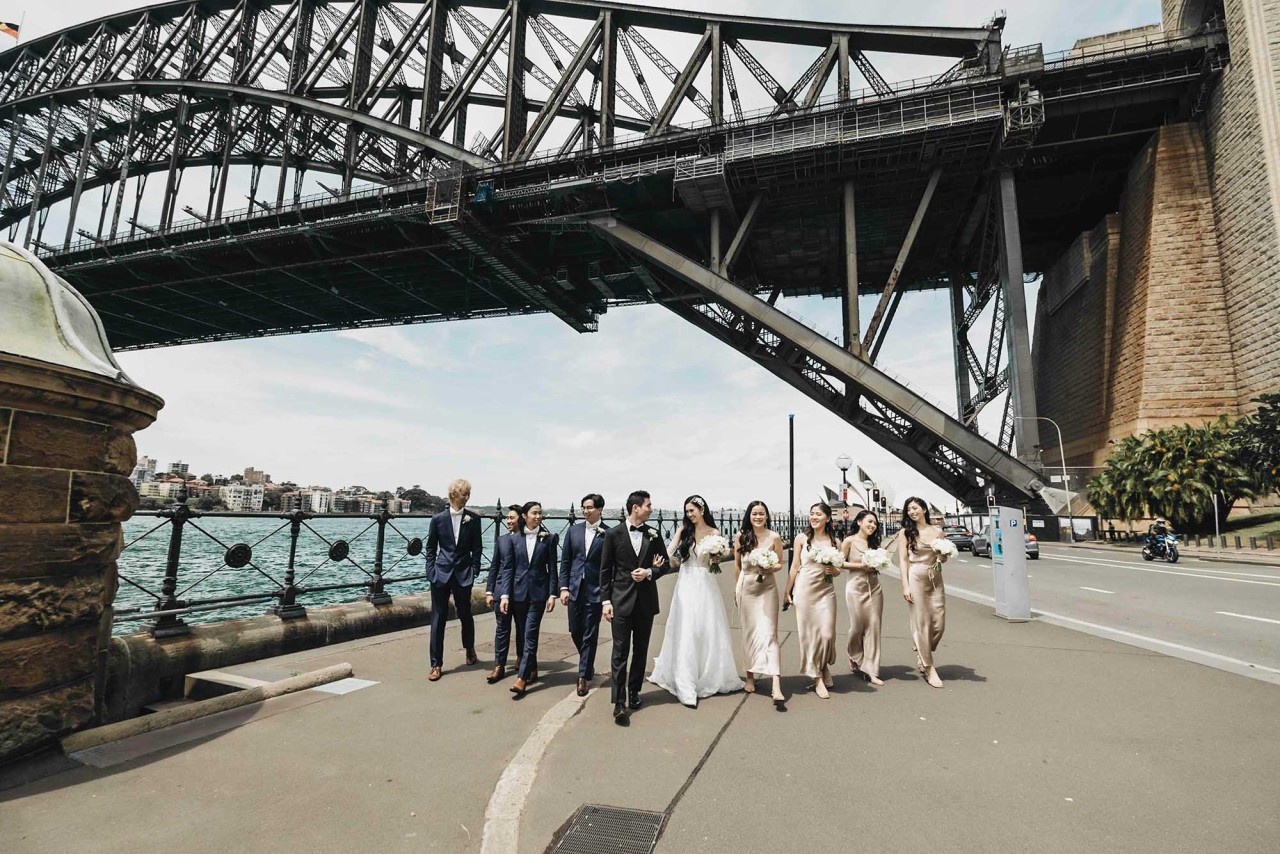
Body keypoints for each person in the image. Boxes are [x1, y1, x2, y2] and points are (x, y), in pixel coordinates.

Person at [649, 495, 744, 707]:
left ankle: (709, 673)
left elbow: (714, 561)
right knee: (687, 627)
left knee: (707, 627)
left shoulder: (714, 533)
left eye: (692, 510)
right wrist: (657, 561)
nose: (689, 515)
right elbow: (669, 550)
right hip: (686, 582)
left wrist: (716, 559)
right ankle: (686, 682)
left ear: (702, 510)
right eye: (687, 511)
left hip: (706, 583)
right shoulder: (684, 530)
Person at [599, 490, 670, 725]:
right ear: (635, 507)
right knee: (620, 652)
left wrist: (649, 572)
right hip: (620, 601)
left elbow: (665, 565)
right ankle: (619, 702)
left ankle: (634, 692)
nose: (651, 509)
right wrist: (606, 602)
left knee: (640, 650)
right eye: (648, 505)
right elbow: (605, 570)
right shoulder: (613, 534)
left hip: (645, 602)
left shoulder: (654, 534)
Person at [496, 501, 558, 699]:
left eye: (540, 513)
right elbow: (508, 569)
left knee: (530, 634)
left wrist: (552, 594)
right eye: (534, 513)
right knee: (523, 634)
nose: (538, 516)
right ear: (524, 516)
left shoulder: (548, 539)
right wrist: (504, 595)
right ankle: (532, 668)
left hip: (539, 594)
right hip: (518, 593)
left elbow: (552, 569)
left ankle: (521, 679)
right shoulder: (514, 539)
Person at [425, 478, 483, 681]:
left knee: (465, 614)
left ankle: (470, 648)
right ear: (453, 495)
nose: (467, 497)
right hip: (440, 574)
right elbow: (430, 548)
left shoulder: (474, 519)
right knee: (438, 618)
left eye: (468, 494)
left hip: (464, 574)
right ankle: (436, 664)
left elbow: (477, 548)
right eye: (464, 494)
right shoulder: (438, 519)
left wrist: (474, 570)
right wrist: (431, 572)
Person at [785, 502, 840, 699]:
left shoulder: (835, 541)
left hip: (826, 591)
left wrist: (834, 570)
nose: (814, 517)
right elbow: (794, 566)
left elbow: (839, 568)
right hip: (805, 590)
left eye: (818, 514)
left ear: (828, 518)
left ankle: (823, 665)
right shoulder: (801, 538)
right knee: (809, 635)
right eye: (812, 514)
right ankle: (817, 677)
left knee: (827, 634)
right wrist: (787, 591)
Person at [733, 500, 785, 705]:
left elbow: (780, 563)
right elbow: (737, 566)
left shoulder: (774, 537)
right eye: (754, 513)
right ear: (749, 515)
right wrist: (736, 590)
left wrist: (769, 567)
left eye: (761, 513)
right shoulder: (741, 536)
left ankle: (776, 683)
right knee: (749, 633)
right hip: (746, 588)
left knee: (770, 634)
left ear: (767, 516)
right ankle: (750, 675)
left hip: (768, 589)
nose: (758, 517)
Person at [559, 493, 610, 697]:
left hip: (595, 590)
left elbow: (611, 566)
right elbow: (566, 561)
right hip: (574, 588)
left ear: (599, 509)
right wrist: (563, 587)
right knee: (574, 630)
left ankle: (582, 677)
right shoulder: (573, 531)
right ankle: (587, 665)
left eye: (589, 507)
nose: (585, 511)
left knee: (590, 633)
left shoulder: (609, 533)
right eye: (583, 508)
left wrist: (607, 594)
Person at [898, 497, 950, 689]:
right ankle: (929, 668)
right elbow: (903, 560)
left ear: (924, 510)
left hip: (935, 577)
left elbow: (942, 557)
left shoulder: (938, 532)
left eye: (915, 508)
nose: (912, 512)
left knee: (939, 623)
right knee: (921, 622)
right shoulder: (906, 532)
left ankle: (922, 649)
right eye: (909, 509)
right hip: (916, 577)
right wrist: (905, 586)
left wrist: (943, 557)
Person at [840, 509, 884, 686]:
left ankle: (871, 670)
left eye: (875, 523)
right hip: (855, 588)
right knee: (857, 627)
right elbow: (840, 563)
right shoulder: (849, 541)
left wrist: (878, 564)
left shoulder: (874, 543)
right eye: (869, 521)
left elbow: (879, 564)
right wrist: (861, 566)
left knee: (874, 627)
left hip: (874, 588)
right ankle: (854, 654)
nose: (872, 525)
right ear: (859, 522)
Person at [486, 505, 523, 684]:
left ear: (521, 519)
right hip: (501, 590)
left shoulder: (527, 539)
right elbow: (494, 566)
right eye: (507, 518)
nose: (508, 521)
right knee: (502, 628)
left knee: (522, 628)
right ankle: (499, 665)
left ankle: (522, 658)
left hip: (521, 590)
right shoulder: (501, 540)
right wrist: (489, 591)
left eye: (512, 518)